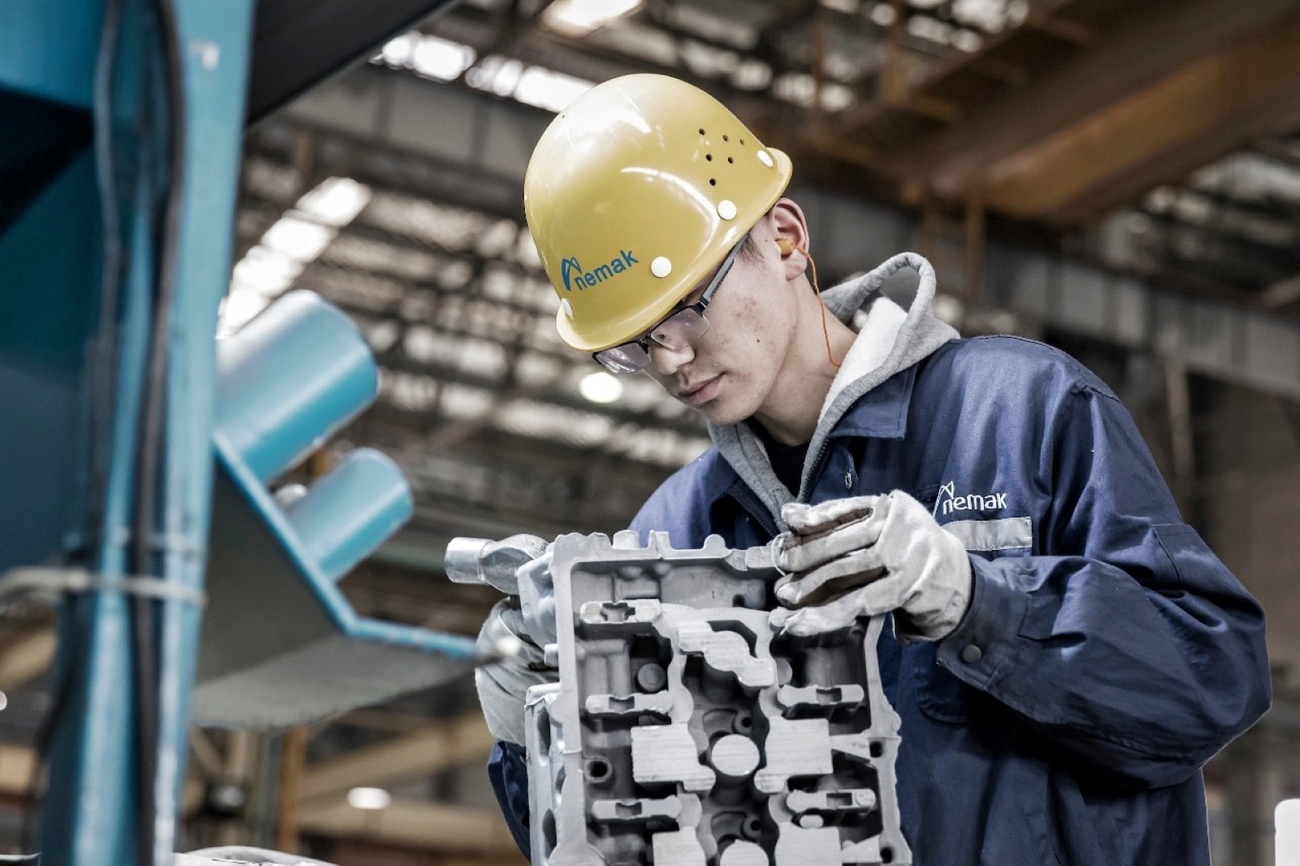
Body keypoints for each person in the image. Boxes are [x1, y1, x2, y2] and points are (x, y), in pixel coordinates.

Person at [472, 73, 1272, 864]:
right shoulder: (676, 529)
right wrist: (537, 733)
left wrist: (977, 600)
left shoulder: (1019, 412)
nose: (671, 359)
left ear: (784, 238)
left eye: (687, 303)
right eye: (635, 343)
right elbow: (627, 845)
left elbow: (1215, 685)